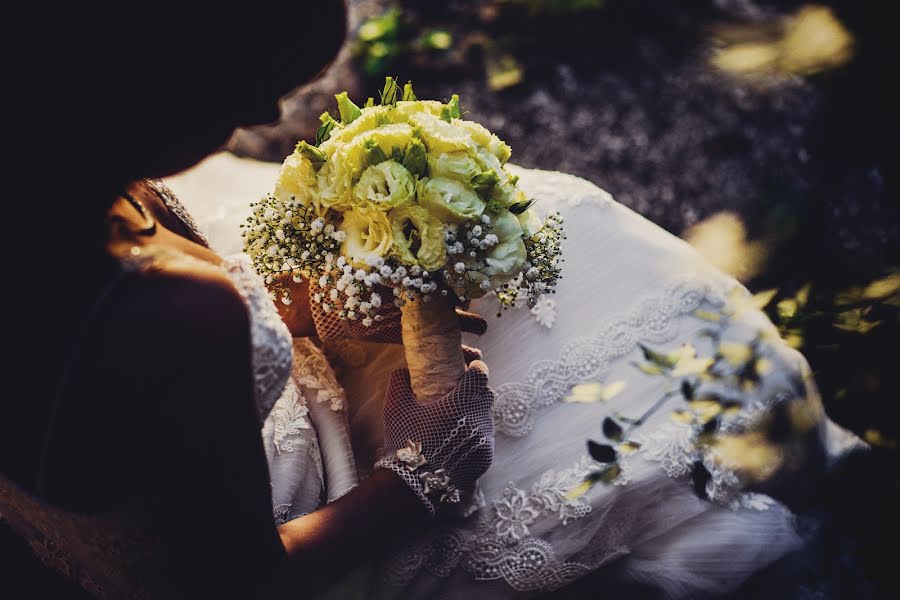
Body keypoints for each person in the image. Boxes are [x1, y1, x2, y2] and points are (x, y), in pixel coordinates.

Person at [1, 3, 495, 599]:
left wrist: (303, 309)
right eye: (250, 90)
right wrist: (423, 472)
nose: (268, 114)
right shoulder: (169, 316)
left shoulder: (45, 154)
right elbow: (240, 581)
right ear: (146, 78)